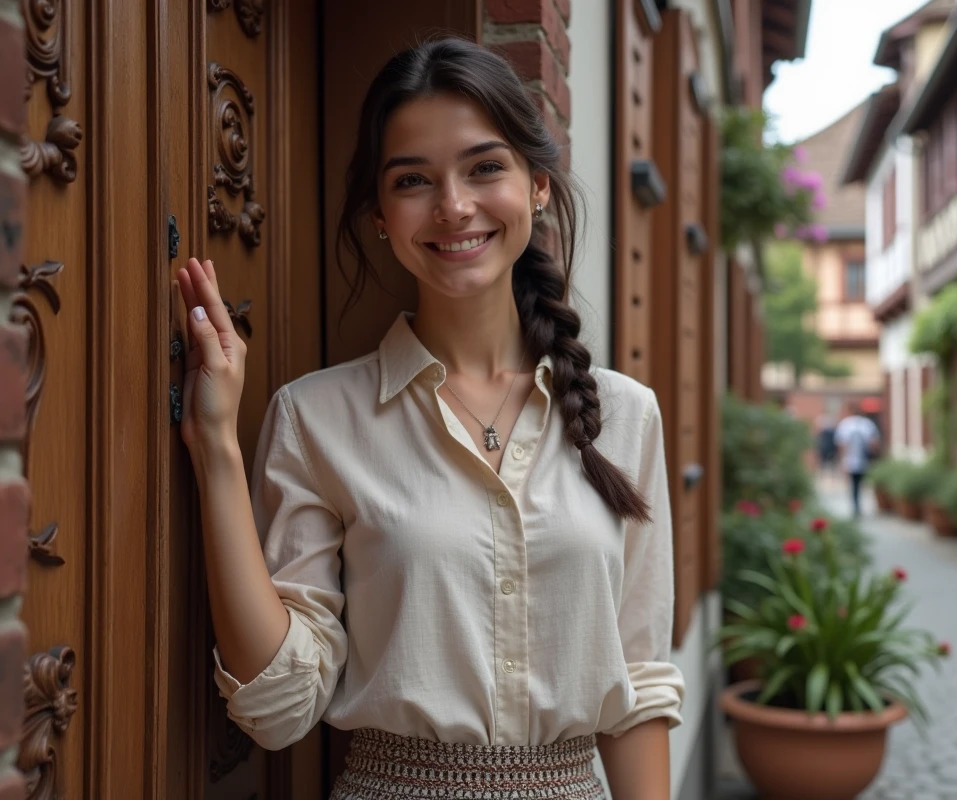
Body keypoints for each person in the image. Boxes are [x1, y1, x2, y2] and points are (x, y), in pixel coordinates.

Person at [176, 38, 682, 799]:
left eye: (485, 167)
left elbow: (638, 686)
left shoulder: (627, 418)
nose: (453, 206)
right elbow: (279, 710)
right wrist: (215, 444)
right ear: (380, 215)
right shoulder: (316, 419)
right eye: (413, 180)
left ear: (537, 186)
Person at [834, 402, 880, 518]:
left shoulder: (845, 424)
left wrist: (841, 460)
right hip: (864, 460)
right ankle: (858, 506)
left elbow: (842, 445)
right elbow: (874, 443)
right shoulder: (867, 424)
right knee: (862, 484)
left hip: (851, 460)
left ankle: (856, 506)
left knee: (854, 485)